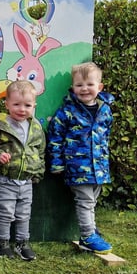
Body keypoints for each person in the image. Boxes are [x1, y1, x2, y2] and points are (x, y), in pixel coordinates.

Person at [47, 62, 114, 253]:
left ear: (99, 87)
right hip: (77, 166)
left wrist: (104, 161)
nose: (84, 89)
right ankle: (87, 235)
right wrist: (57, 163)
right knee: (84, 200)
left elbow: (105, 136)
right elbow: (55, 137)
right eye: (79, 85)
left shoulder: (105, 109)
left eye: (89, 84)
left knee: (92, 200)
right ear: (73, 88)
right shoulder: (67, 111)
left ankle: (92, 229)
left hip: (99, 167)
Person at [0, 80, 45, 261]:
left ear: (34, 105)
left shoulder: (36, 127)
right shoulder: (0, 124)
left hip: (26, 180)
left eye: (27, 105)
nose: (22, 109)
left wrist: (38, 171)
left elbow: (40, 150)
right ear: (6, 104)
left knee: (23, 214)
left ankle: (22, 243)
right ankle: (1, 242)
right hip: (6, 178)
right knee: (6, 212)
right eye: (16, 104)